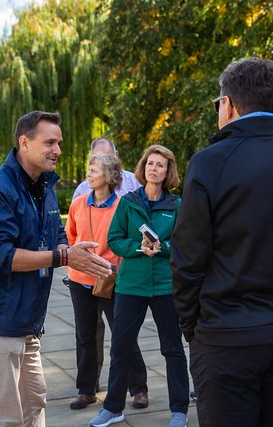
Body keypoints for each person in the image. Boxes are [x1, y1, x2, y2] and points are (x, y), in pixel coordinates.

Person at [170, 57, 273, 427]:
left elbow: (187, 259)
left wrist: (193, 327)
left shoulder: (210, 162)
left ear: (228, 104)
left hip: (227, 335)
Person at [0, 110, 113, 427]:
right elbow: (0, 256)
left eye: (59, 143)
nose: (57, 150)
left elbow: (56, 235)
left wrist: (70, 251)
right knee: (5, 418)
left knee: (34, 406)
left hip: (27, 322)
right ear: (24, 142)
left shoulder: (45, 188)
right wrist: (65, 257)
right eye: (50, 142)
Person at [90, 145, 189, 427]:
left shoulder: (177, 205)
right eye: (150, 164)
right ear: (143, 169)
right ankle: (113, 408)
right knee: (120, 348)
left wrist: (163, 247)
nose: (153, 169)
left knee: (172, 349)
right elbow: (114, 239)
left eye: (160, 165)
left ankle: (179, 410)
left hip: (165, 287)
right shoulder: (128, 202)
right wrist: (138, 248)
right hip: (130, 285)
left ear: (168, 171)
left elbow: (184, 244)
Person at [65, 153, 148, 411]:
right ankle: (86, 390)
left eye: (94, 170)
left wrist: (117, 266)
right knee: (85, 336)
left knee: (123, 334)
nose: (89, 174)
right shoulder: (78, 204)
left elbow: (132, 240)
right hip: (80, 280)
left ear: (109, 176)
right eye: (89, 169)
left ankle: (139, 389)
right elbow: (70, 238)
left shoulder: (124, 205)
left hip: (113, 279)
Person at [72, 138, 141, 200]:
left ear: (116, 155)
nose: (103, 162)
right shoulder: (82, 191)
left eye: (108, 158)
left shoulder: (135, 183)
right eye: (97, 157)